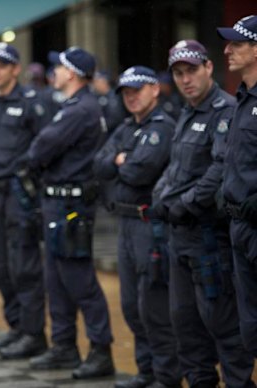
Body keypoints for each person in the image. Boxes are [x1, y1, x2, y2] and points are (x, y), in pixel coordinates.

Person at [154, 39, 255, 387]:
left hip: (208, 239)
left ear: (209, 67)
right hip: (180, 239)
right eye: (179, 73)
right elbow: (175, 168)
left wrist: (182, 204)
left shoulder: (226, 110)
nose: (186, 79)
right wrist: (162, 197)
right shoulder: (186, 112)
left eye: (192, 70)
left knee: (224, 327)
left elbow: (219, 171)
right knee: (187, 328)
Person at [26, 47, 115, 379]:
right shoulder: (75, 106)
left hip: (71, 207)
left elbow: (41, 148)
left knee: (78, 278)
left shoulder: (80, 110)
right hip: (59, 204)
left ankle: (100, 348)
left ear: (73, 74)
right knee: (56, 278)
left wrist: (36, 159)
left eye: (60, 68)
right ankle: (64, 346)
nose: (55, 73)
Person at [94, 66, 180, 388]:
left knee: (153, 306)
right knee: (131, 305)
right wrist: (119, 159)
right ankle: (146, 370)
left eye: (137, 90)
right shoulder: (126, 127)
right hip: (126, 223)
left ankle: (166, 375)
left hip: (150, 224)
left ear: (155, 90)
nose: (130, 97)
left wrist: (121, 161)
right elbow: (99, 164)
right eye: (125, 92)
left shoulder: (162, 127)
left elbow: (138, 172)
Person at [0, 42, 48, 359]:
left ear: (15, 69)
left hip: (19, 194)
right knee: (2, 268)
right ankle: (16, 328)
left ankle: (33, 334)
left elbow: (44, 149)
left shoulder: (32, 103)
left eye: (2, 65)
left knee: (25, 267)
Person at [218, 15, 257, 358]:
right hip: (239, 227)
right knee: (251, 328)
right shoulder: (241, 99)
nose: (228, 49)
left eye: (238, 43)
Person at [92, 70, 128, 134]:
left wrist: (98, 127)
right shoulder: (97, 96)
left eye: (97, 81)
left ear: (104, 82)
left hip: (116, 133)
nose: (95, 84)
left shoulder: (114, 96)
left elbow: (115, 119)